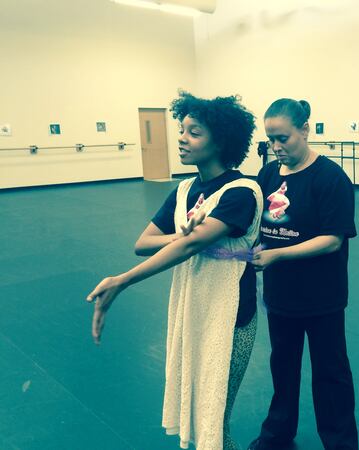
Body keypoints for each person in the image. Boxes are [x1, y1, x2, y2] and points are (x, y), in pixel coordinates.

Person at [86, 92, 262, 450]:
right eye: (182, 130)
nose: (181, 138)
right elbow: (144, 242)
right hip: (190, 308)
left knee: (215, 414)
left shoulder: (242, 191)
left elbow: (191, 245)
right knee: (197, 408)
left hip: (231, 316)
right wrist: (183, 233)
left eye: (194, 132)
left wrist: (123, 280)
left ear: (221, 140)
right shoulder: (184, 190)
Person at [248, 99, 359, 450]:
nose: (277, 147)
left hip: (322, 297)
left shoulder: (330, 178)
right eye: (270, 140)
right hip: (280, 296)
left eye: (283, 138)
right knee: (283, 368)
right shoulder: (266, 176)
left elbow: (331, 240)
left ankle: (341, 443)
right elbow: (256, 224)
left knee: (331, 374)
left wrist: (278, 254)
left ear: (305, 130)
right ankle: (277, 434)